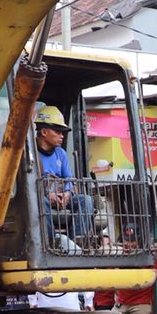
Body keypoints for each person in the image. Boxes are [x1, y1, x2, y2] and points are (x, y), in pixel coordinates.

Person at [34, 105, 93, 244]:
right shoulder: (30, 153)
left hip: (61, 198)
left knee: (86, 201)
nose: (62, 136)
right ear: (44, 131)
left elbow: (69, 178)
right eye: (58, 131)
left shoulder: (61, 153)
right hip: (42, 198)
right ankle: (52, 241)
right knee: (41, 203)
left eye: (63, 132)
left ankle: (78, 241)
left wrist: (67, 192)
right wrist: (47, 195)